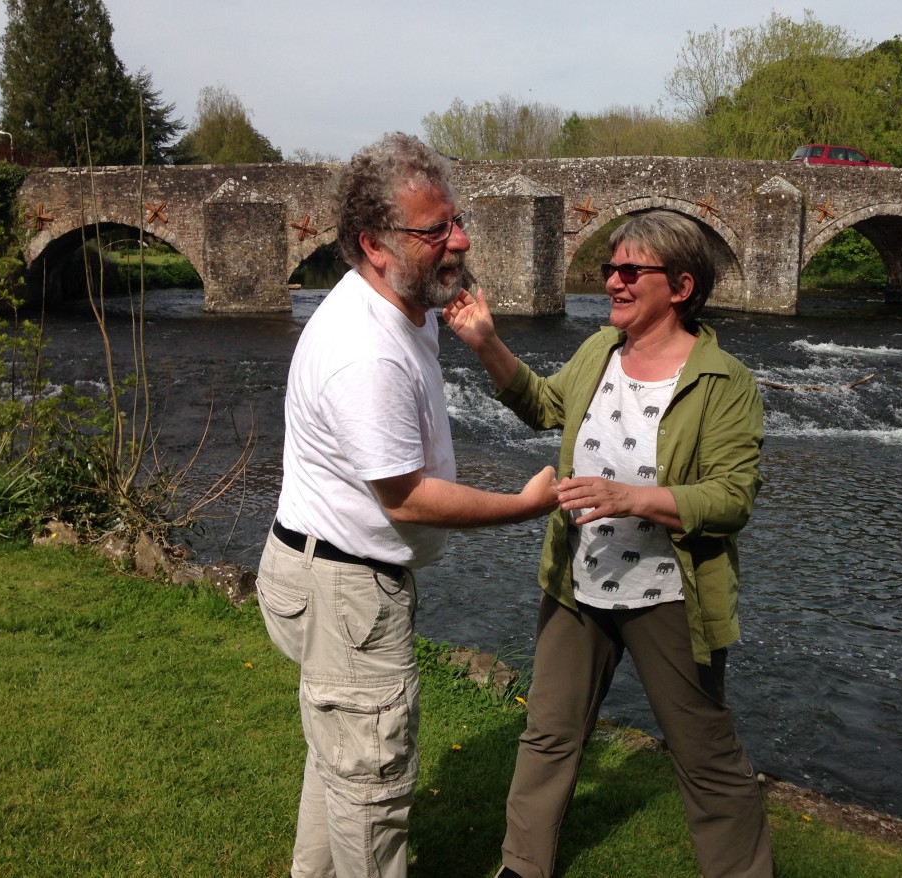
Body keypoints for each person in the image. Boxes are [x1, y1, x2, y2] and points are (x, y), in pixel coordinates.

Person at [255, 132, 558, 878]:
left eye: (455, 221)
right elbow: (408, 497)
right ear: (374, 244)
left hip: (327, 573)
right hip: (347, 590)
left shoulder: (399, 306)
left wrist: (480, 338)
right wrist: (525, 506)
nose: (458, 240)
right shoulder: (367, 351)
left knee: (342, 764)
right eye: (435, 231)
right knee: (372, 790)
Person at [443, 210, 774, 878]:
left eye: (630, 271)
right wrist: (485, 342)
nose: (614, 283)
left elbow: (732, 500)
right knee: (549, 733)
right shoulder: (600, 351)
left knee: (705, 754)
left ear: (680, 286)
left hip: (670, 596)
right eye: (609, 269)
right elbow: (544, 405)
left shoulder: (724, 382)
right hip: (578, 582)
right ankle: (522, 867)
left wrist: (633, 499)